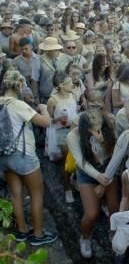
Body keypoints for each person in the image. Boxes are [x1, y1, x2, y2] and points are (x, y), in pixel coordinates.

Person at [0, 69, 57, 245]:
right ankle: (38, 235)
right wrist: (44, 109)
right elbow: (46, 122)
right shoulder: (19, 105)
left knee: (16, 195)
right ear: (18, 86)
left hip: (4, 155)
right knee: (36, 194)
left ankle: (22, 230)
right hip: (24, 155)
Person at [66, 109, 119, 259]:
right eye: (92, 127)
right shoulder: (73, 136)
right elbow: (81, 162)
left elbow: (115, 156)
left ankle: (114, 235)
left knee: (114, 209)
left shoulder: (109, 130)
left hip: (109, 170)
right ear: (84, 127)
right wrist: (97, 177)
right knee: (91, 213)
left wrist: (103, 141)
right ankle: (85, 237)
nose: (97, 130)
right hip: (87, 173)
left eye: (99, 126)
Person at [46, 72, 78, 203]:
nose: (72, 84)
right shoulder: (53, 99)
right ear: (61, 85)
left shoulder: (72, 95)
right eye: (69, 82)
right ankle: (67, 189)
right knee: (66, 160)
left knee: (77, 158)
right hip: (61, 132)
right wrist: (58, 118)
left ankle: (74, 180)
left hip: (75, 130)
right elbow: (47, 120)